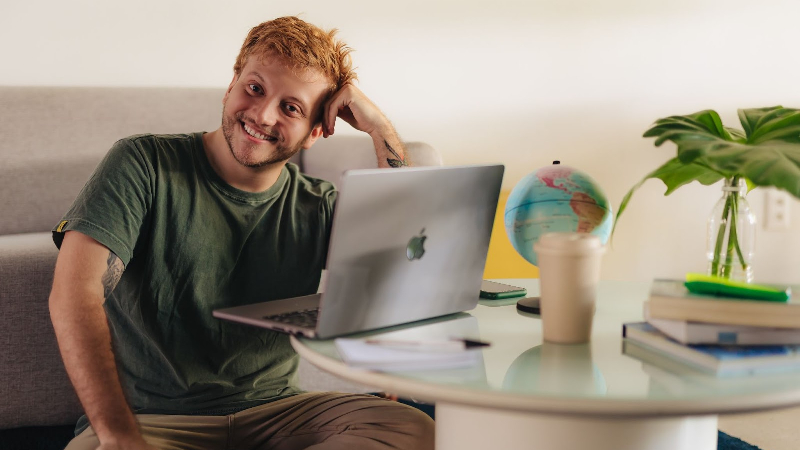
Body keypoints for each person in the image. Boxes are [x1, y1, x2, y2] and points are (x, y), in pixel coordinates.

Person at [48, 16, 434, 450]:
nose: (263, 115)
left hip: (279, 412)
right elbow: (74, 294)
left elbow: (411, 266)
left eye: (292, 108)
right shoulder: (143, 162)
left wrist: (379, 128)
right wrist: (118, 436)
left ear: (316, 132)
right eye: (255, 88)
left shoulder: (317, 204)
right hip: (151, 421)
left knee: (411, 427)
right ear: (232, 83)